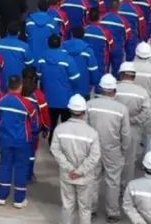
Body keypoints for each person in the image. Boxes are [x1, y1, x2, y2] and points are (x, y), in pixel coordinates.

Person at [88, 74, 131, 222]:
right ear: (114, 90)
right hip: (113, 149)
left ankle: (91, 209)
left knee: (93, 178)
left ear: (101, 88)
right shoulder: (121, 109)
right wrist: (124, 148)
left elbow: (85, 127)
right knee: (113, 181)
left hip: (93, 147)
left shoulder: (90, 105)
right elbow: (125, 133)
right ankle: (112, 212)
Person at [50, 94, 100, 223]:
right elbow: (94, 156)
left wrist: (70, 169)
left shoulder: (60, 129)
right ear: (84, 111)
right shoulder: (92, 133)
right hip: (85, 177)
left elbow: (55, 150)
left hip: (67, 175)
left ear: (70, 110)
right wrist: (80, 171)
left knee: (67, 206)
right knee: (85, 208)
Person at [0, 75, 39, 209]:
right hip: (22, 141)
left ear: (8, 85)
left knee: (4, 165)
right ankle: (19, 200)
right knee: (21, 168)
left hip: (5, 140)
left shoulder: (0, 100)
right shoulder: (27, 104)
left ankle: (2, 196)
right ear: (20, 86)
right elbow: (35, 124)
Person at [115, 62, 151, 184]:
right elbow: (147, 112)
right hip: (133, 128)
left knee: (114, 157)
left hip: (115, 128)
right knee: (130, 159)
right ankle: (126, 185)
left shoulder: (114, 89)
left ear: (121, 75)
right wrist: (133, 120)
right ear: (134, 76)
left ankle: (115, 184)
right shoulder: (142, 92)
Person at [39, 34, 80, 124]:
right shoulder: (68, 59)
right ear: (60, 43)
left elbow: (39, 75)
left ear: (48, 44)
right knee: (66, 126)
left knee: (51, 125)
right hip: (66, 99)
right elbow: (76, 78)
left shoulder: (42, 58)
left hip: (48, 98)